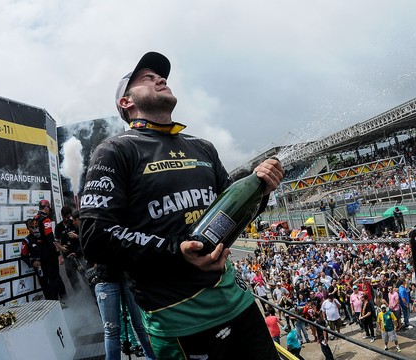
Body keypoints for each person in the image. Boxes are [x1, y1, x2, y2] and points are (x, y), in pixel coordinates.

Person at [80, 52, 284, 359]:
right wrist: (176, 251)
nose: (160, 79)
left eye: (161, 76)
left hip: (239, 304)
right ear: (126, 102)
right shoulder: (115, 150)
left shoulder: (202, 147)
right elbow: (95, 237)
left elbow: (233, 215)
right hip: (179, 323)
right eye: (147, 78)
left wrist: (263, 189)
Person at [91, 263, 155, 360]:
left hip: (128, 277)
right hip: (105, 278)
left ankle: (151, 356)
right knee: (111, 331)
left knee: (140, 325)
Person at [22, 217, 67, 305]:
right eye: (31, 227)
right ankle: (51, 305)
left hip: (50, 264)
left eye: (36, 226)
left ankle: (65, 301)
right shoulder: (27, 240)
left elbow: (53, 245)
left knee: (57, 282)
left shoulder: (44, 236)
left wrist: (59, 256)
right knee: (46, 287)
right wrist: (32, 262)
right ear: (28, 228)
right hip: (40, 268)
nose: (34, 229)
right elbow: (24, 256)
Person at [56, 207, 87, 293]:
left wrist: (75, 236)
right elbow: (56, 242)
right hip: (67, 257)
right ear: (62, 215)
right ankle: (79, 296)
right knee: (72, 278)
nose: (67, 219)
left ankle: (91, 293)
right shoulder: (58, 227)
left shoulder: (74, 223)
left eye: (68, 217)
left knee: (85, 275)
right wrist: (61, 248)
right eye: (65, 217)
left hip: (78, 255)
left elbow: (83, 237)